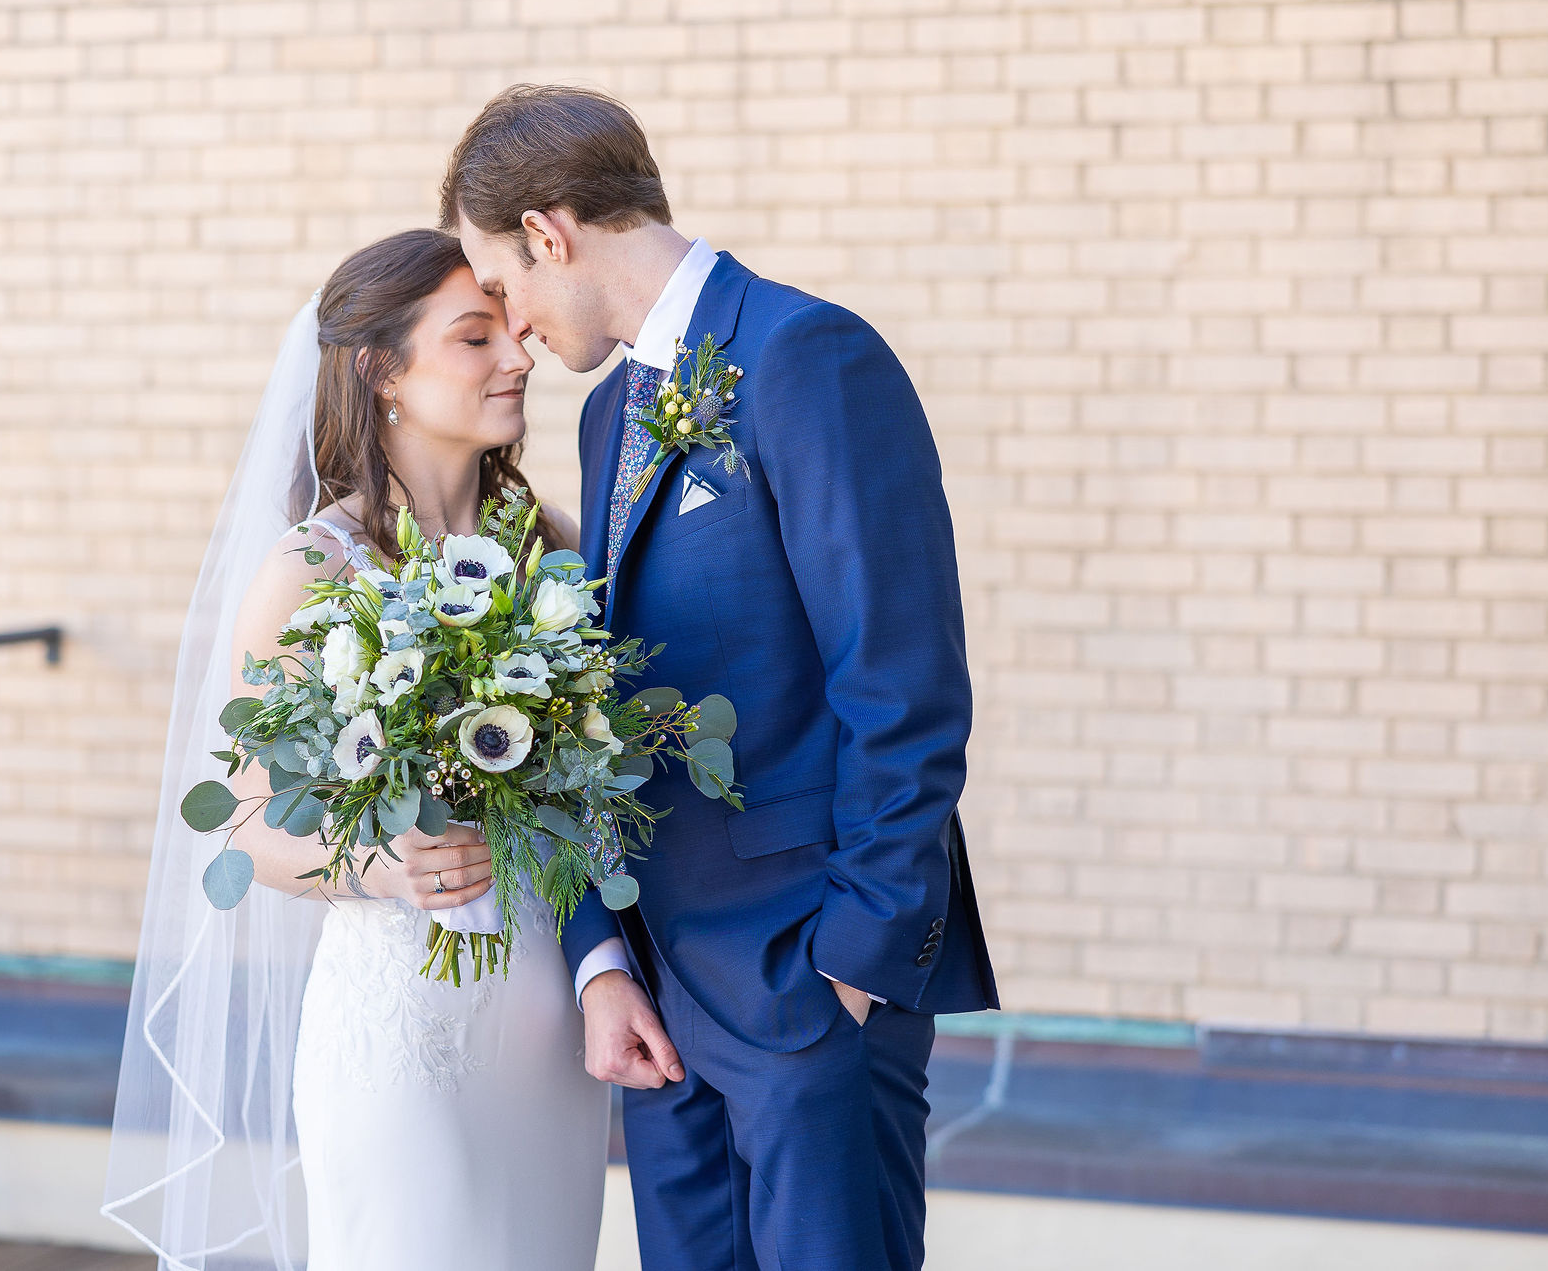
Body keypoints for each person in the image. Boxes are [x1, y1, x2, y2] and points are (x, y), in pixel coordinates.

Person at [443, 85, 1001, 1271]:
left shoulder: (808, 357)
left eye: (503, 286)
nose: (516, 326)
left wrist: (849, 968)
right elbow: (584, 709)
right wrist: (604, 953)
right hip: (661, 1007)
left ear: (549, 233)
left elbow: (901, 689)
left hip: (807, 980)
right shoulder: (607, 420)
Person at [103, 228, 608, 1271]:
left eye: (509, 332)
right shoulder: (308, 573)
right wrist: (376, 861)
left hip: (547, 1034)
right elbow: (235, 827)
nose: (516, 357)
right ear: (381, 372)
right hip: (399, 1030)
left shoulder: (555, 550)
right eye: (474, 339)